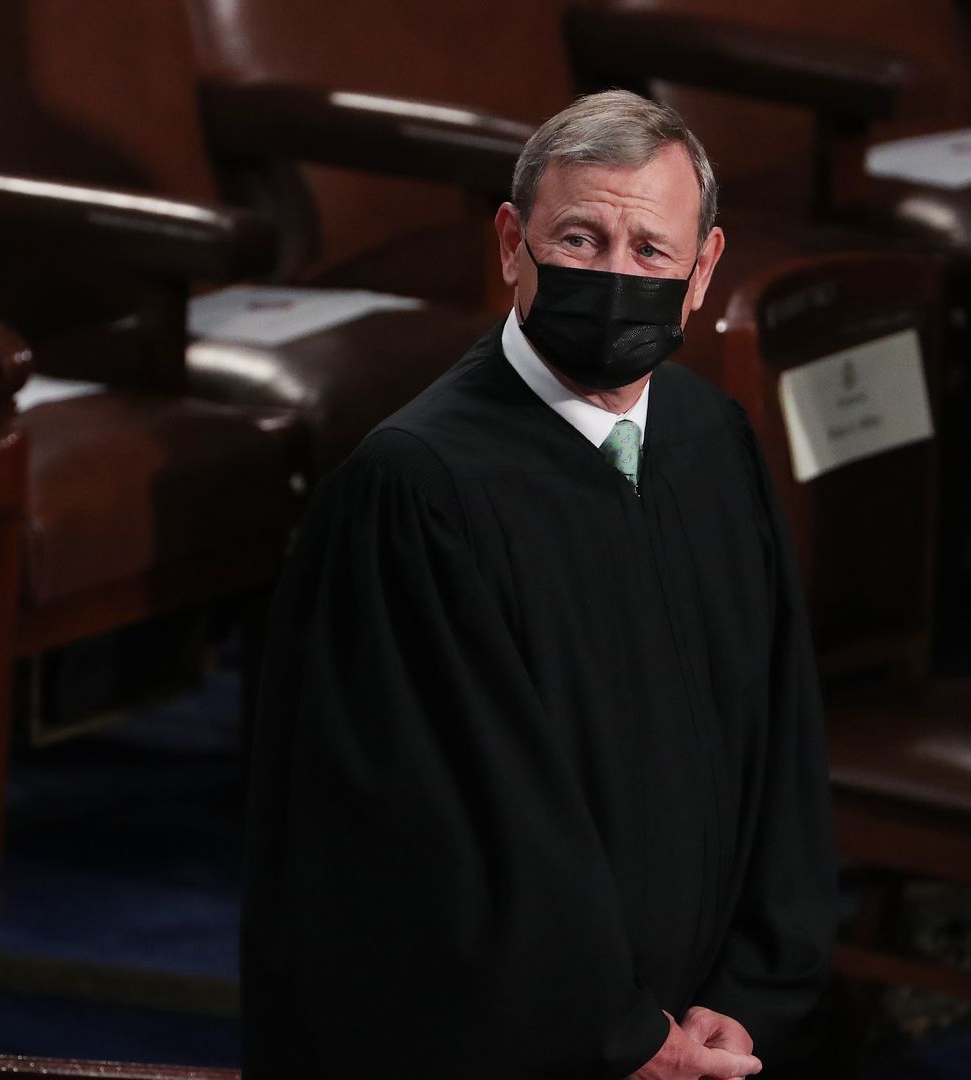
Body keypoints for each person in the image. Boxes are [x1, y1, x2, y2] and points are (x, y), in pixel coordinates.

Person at [241, 90, 836, 1080]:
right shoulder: (417, 491)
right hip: (518, 1049)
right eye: (579, 238)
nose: (615, 274)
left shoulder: (711, 441)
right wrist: (617, 1033)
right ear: (512, 243)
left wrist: (750, 992)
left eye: (650, 252)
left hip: (704, 1032)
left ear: (704, 271)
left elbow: (779, 728)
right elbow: (433, 830)